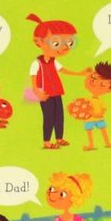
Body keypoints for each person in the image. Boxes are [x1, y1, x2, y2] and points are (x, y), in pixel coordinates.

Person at [24, 13, 78, 149]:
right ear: (39, 42)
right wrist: (37, 92)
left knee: (59, 116)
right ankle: (47, 141)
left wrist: (80, 73)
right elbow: (33, 79)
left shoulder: (54, 62)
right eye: (56, 43)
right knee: (48, 117)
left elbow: (64, 70)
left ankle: (59, 138)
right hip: (45, 94)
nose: (65, 48)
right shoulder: (37, 63)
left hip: (57, 92)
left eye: (69, 43)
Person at [69, 61, 111, 150]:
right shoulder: (86, 100)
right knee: (89, 132)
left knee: (103, 130)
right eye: (93, 79)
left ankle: (108, 143)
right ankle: (91, 145)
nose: (95, 83)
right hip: (88, 120)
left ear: (110, 90)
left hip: (99, 119)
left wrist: (95, 114)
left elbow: (103, 111)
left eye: (102, 84)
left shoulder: (100, 101)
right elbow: (80, 109)